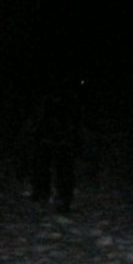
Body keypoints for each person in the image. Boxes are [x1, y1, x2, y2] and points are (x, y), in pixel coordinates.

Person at [20, 81, 84, 212]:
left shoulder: (67, 98)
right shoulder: (46, 98)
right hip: (48, 137)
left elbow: (75, 118)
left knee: (61, 169)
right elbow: (36, 117)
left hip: (61, 138)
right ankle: (44, 193)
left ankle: (61, 199)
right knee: (43, 166)